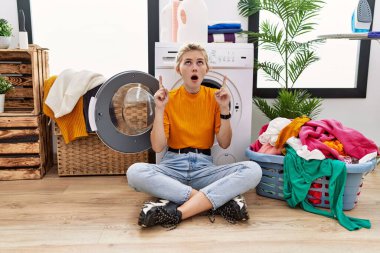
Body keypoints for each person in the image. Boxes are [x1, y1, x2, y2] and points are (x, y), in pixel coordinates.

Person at [127, 43, 262, 229]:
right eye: (188, 62)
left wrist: (224, 109)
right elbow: (158, 147)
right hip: (172, 167)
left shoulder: (216, 97)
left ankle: (178, 212)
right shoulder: (168, 99)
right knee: (134, 172)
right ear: (178, 69)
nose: (194, 67)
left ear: (207, 69)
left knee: (253, 169)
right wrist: (159, 109)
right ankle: (215, 202)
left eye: (200, 62)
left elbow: (224, 143)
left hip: (204, 169)